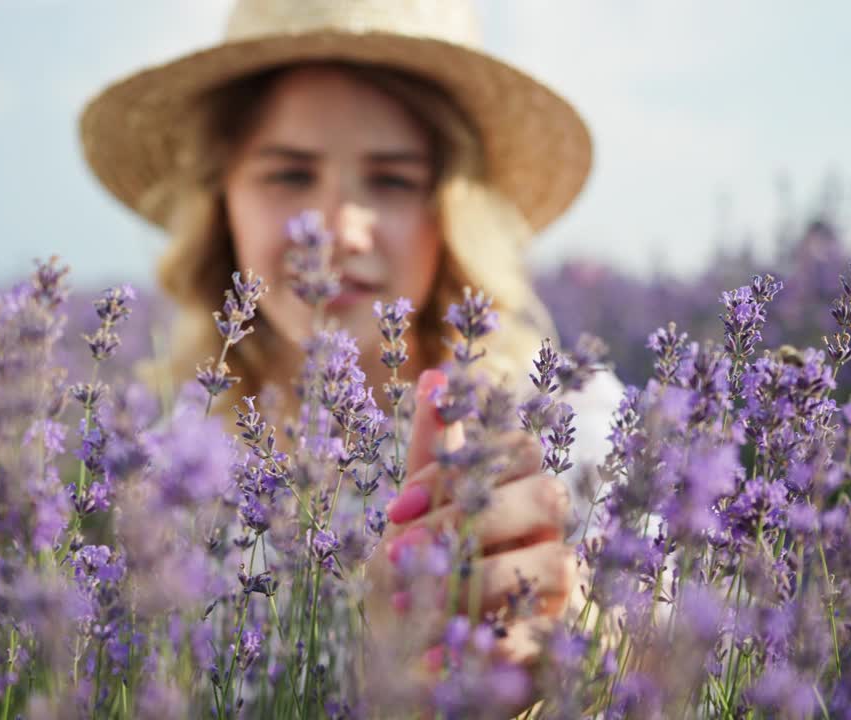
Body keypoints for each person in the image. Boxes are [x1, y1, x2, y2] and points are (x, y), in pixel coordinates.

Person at [79, 0, 624, 708]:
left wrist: (586, 646)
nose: (337, 229)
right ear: (223, 203)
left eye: (392, 180)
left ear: (450, 210)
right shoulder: (169, 467)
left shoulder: (566, 427)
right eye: (290, 175)